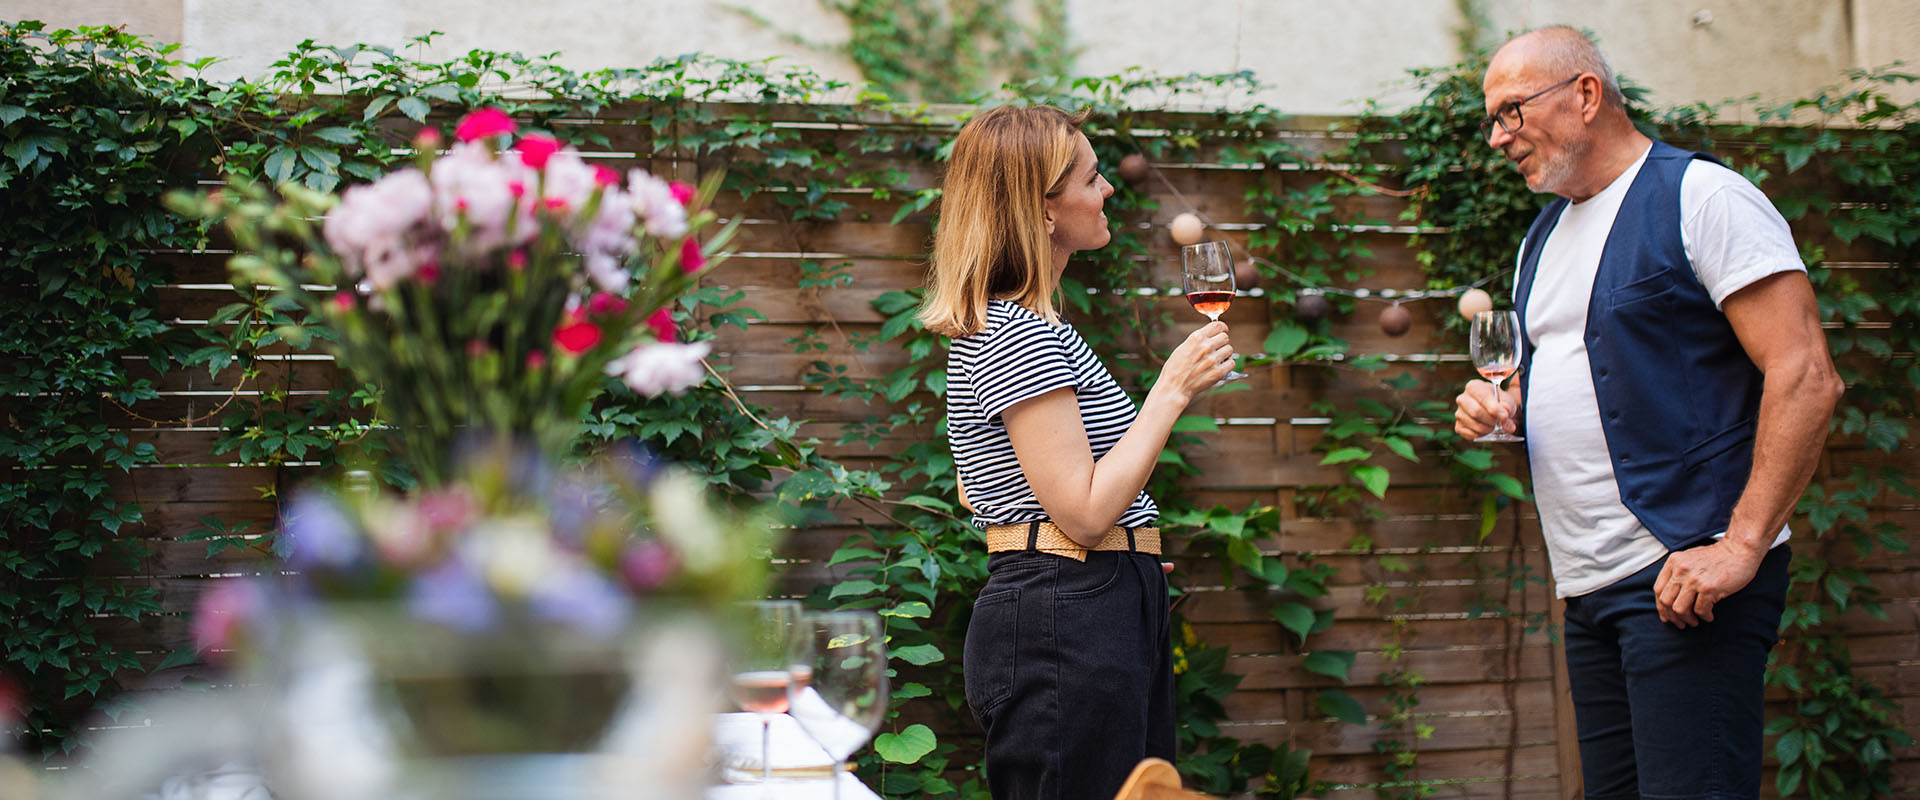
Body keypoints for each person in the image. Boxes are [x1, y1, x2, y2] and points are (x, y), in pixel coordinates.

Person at [1453, 27, 1844, 799]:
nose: (1500, 138)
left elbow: (1805, 374)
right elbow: (1606, 379)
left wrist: (1739, 547)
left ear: (1585, 95)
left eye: (1511, 113)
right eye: (1493, 121)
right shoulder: (1543, 237)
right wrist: (1509, 411)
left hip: (1685, 576)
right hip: (1587, 585)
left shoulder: (1703, 196)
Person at [918, 104, 1236, 800]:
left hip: (1085, 602)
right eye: (1093, 178)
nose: (1108, 189)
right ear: (1042, 208)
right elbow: (1086, 515)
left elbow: (981, 491)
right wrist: (1172, 389)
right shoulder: (1016, 333)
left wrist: (1126, 553)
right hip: (1067, 619)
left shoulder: (1023, 326)